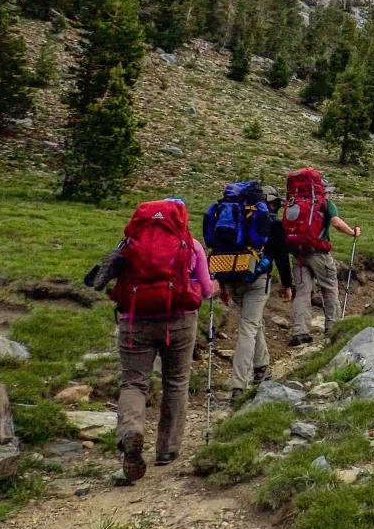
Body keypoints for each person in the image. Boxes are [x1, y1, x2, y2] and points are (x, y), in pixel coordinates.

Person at [100, 199, 216, 483]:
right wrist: (211, 286)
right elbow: (207, 291)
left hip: (135, 320)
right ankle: (167, 449)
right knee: (176, 382)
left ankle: (131, 432)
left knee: (133, 383)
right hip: (179, 321)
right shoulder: (192, 245)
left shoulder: (128, 244)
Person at [223, 185, 294, 399]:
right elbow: (282, 257)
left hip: (231, 276)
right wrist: (287, 285)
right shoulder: (272, 223)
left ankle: (261, 366)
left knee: (253, 322)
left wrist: (223, 284)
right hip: (257, 279)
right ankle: (239, 385)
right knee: (248, 328)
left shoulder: (233, 215)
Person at [286, 170, 360, 346]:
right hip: (319, 253)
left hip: (298, 253)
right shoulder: (325, 203)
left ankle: (300, 332)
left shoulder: (292, 202)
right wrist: (352, 233)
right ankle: (332, 326)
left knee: (302, 292)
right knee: (329, 288)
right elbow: (336, 223)